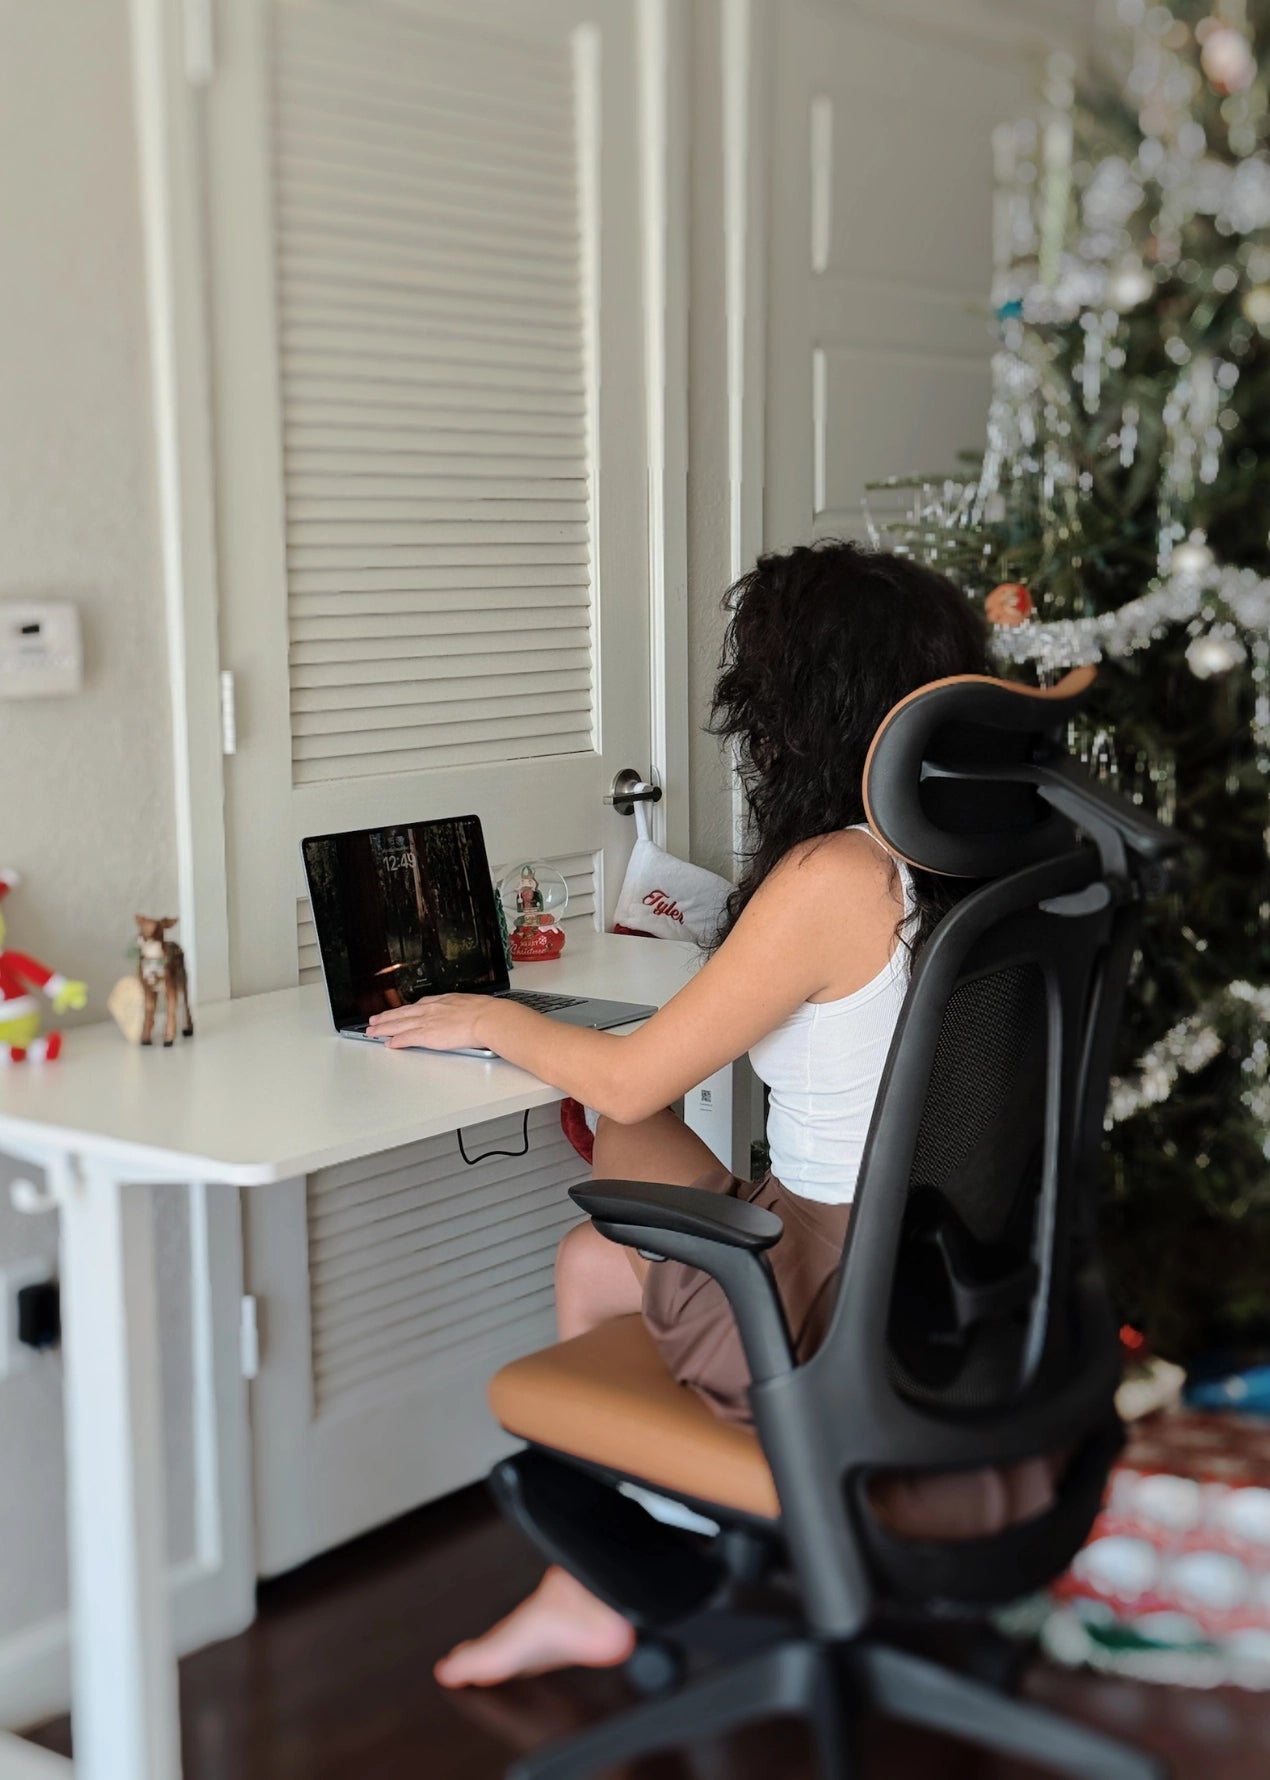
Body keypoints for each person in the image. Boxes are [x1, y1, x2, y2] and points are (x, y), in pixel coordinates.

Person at [367, 540, 1061, 1689]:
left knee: (617, 1108)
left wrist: (492, 1017)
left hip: (828, 1313)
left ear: (797, 706)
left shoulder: (837, 873)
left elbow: (629, 1086)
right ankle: (596, 1585)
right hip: (957, 1290)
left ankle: (655, 1552)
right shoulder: (992, 842)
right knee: (591, 1262)